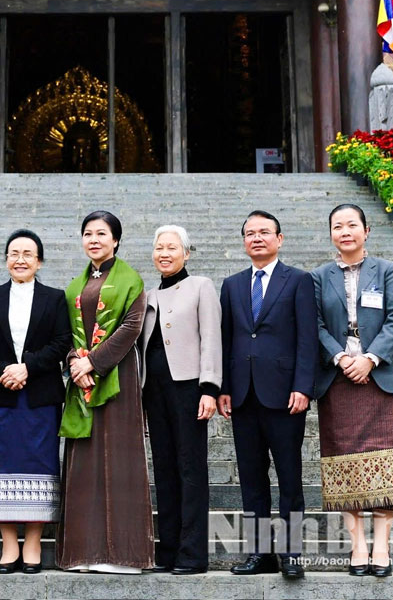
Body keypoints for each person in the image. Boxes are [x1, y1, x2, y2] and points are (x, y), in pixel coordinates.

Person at [312, 204, 393, 578]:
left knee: (386, 464)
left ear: (366, 231)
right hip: (338, 381)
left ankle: (381, 546)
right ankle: (357, 547)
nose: (345, 231)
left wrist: (370, 359)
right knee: (345, 464)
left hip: (381, 379)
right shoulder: (319, 277)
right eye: (337, 226)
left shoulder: (386, 270)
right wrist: (341, 358)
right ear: (331, 234)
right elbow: (316, 325)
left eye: (352, 224)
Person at [217, 210, 317, 580]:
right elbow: (226, 339)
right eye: (250, 233)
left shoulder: (299, 281)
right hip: (243, 396)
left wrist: (303, 386)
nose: (256, 238)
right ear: (244, 241)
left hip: (285, 396)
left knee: (289, 478)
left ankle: (291, 553)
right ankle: (259, 554)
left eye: (264, 232)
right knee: (251, 479)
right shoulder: (232, 285)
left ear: (279, 238)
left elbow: (308, 338)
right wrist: (224, 388)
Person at [56, 210, 154, 573]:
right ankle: (84, 552)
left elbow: (131, 327)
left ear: (115, 240)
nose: (94, 239)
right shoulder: (74, 286)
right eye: (88, 233)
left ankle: (123, 555)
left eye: (101, 233)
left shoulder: (130, 280)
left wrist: (93, 363)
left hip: (118, 380)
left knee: (119, 460)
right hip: (81, 382)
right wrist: (74, 362)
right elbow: (66, 333)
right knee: (84, 464)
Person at [0, 229, 71, 574]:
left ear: (39, 261)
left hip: (40, 396)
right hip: (1, 394)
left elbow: (61, 341)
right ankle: (9, 543)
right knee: (0, 465)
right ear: (6, 260)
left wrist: (27, 367)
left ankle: (33, 543)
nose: (20, 259)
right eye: (14, 253)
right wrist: (3, 371)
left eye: (28, 254)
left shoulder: (54, 298)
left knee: (39, 465)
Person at [139, 224, 221, 575]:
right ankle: (169, 549)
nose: (165, 253)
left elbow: (211, 337)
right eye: (160, 247)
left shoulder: (201, 286)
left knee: (190, 469)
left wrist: (210, 388)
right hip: (154, 392)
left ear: (186, 253)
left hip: (189, 389)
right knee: (164, 470)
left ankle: (192, 554)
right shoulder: (147, 296)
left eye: (172, 247)